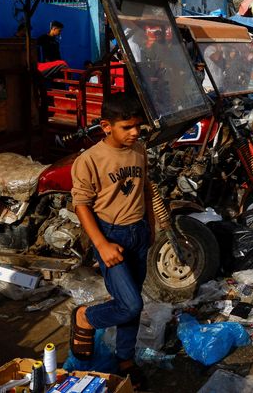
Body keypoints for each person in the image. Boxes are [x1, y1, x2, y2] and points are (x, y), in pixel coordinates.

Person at [70, 93, 153, 387]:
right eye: (127, 127)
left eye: (137, 127)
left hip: (138, 233)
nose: (134, 133)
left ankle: (126, 360)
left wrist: (151, 228)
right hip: (111, 236)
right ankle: (85, 317)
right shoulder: (89, 160)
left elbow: (145, 190)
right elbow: (81, 205)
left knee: (134, 300)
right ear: (106, 126)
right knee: (130, 304)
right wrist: (102, 245)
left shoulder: (139, 150)